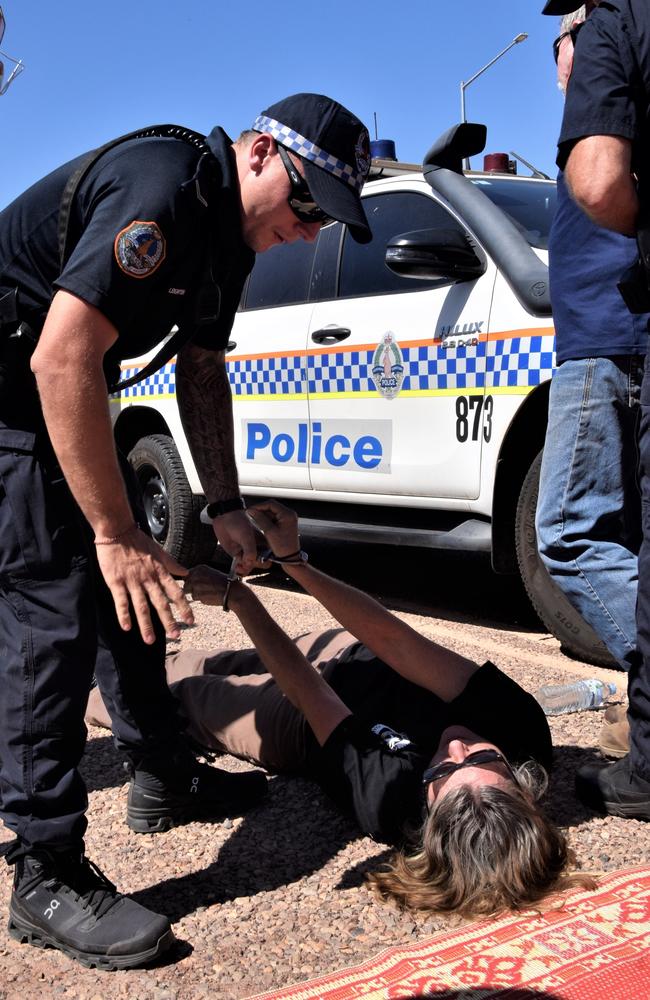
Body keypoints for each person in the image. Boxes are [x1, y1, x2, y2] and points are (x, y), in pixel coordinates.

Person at [0, 94, 372, 969]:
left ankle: (162, 771)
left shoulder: (228, 241)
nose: (309, 227)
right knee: (51, 607)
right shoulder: (163, 191)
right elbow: (59, 356)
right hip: (14, 394)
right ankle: (43, 869)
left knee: (135, 581)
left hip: (53, 387)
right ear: (255, 153)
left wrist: (224, 503)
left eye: (326, 214)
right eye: (306, 200)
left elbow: (203, 375)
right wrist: (111, 526)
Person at [87, 500, 594, 919]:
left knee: (173, 698)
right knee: (198, 660)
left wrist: (241, 602)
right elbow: (396, 641)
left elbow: (309, 694)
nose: (457, 746)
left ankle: (76, 689)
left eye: (443, 769)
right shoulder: (521, 728)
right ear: (524, 783)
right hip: (353, 655)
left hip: (300, 721)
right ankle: (110, 660)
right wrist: (293, 560)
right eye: (484, 760)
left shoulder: (389, 804)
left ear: (427, 809)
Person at [548, 0, 650, 820]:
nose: (562, 55)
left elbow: (600, 187)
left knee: (571, 535)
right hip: (609, 338)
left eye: (569, 37)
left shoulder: (610, 129)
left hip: (606, 342)